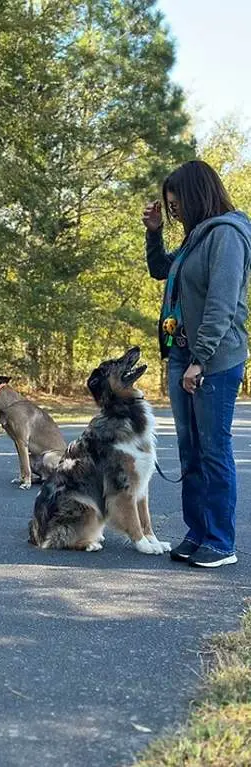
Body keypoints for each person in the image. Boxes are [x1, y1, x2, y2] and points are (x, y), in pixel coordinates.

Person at [143, 159, 251, 568]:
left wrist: (200, 360)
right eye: (170, 208)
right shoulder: (194, 241)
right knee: (190, 450)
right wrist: (154, 235)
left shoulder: (227, 235)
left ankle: (221, 542)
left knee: (214, 450)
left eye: (177, 205)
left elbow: (222, 305)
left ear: (197, 196)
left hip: (214, 359)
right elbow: (161, 271)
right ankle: (197, 532)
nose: (175, 213)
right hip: (183, 353)